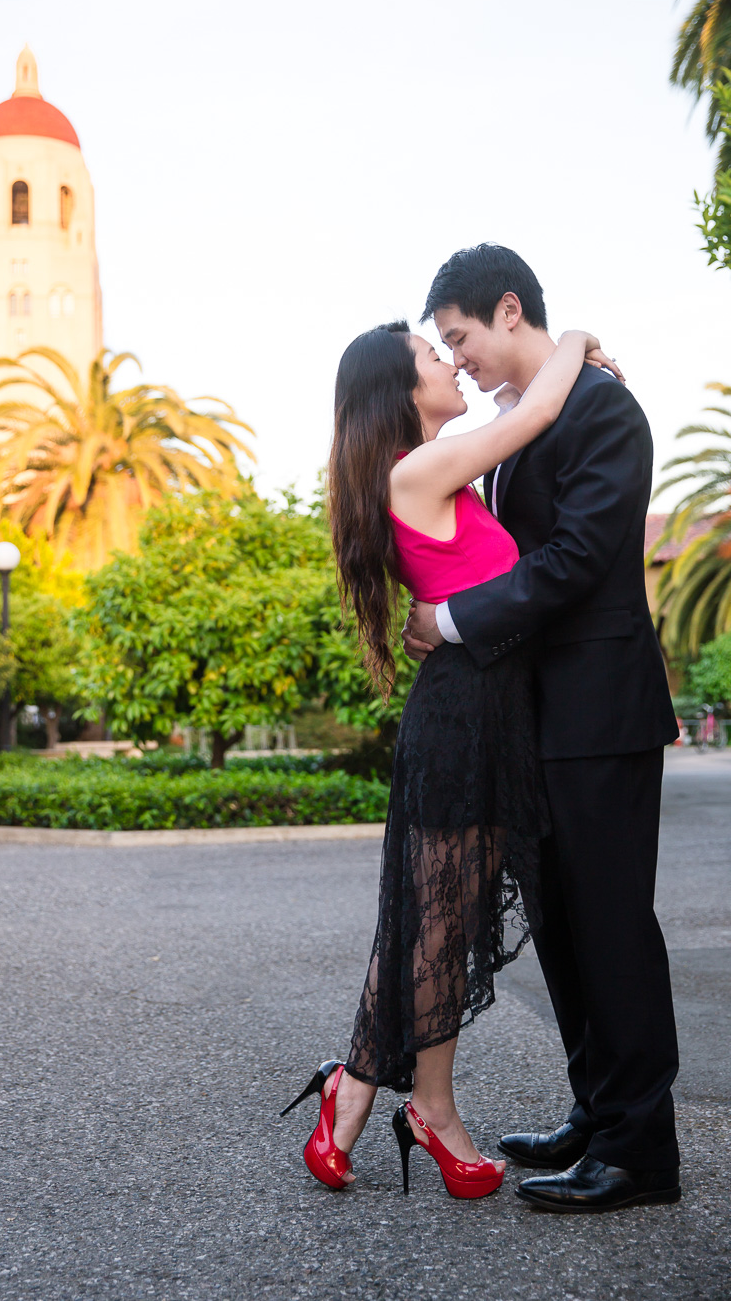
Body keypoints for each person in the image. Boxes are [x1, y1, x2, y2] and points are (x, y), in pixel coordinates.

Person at [282, 312, 616, 1199]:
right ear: (402, 388)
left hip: (479, 712)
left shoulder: (435, 477)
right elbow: (533, 415)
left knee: (442, 923)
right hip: (463, 719)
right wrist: (576, 339)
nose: (450, 362)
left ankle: (357, 1097)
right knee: (437, 925)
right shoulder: (422, 467)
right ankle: (413, 1107)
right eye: (435, 354)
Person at [402, 243, 681, 1214]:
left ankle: (641, 1153)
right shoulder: (516, 430)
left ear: (507, 310)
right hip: (534, 721)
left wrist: (451, 622)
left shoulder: (601, 408)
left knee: (610, 930)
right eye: (444, 346)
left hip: (599, 714)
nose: (458, 357)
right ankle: (594, 1112)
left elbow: (569, 561)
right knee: (562, 931)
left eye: (459, 337)